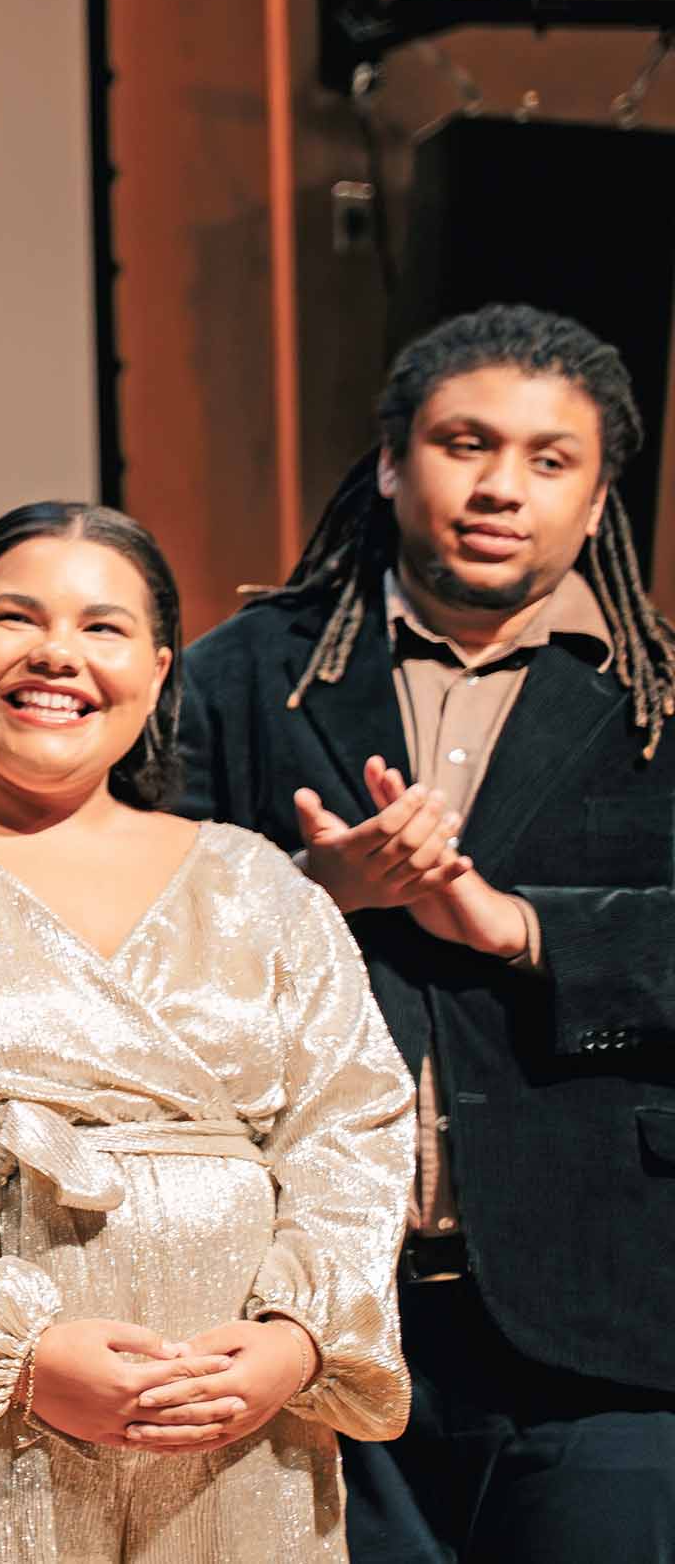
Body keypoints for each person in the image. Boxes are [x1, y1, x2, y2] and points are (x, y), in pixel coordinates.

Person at [0, 501, 414, 1561]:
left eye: (101, 628)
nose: (57, 653)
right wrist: (21, 1356)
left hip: (229, 1436)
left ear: (154, 673)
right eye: (16, 617)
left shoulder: (256, 883)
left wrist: (295, 1344)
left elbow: (356, 1128)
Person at [178, 304, 675, 1561]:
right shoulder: (244, 672)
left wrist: (513, 926)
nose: (502, 485)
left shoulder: (662, 695)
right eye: (465, 443)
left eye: (549, 459)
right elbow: (115, 926)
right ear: (394, 461)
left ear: (600, 491)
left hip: (609, 1314)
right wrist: (309, 890)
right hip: (301, 1315)